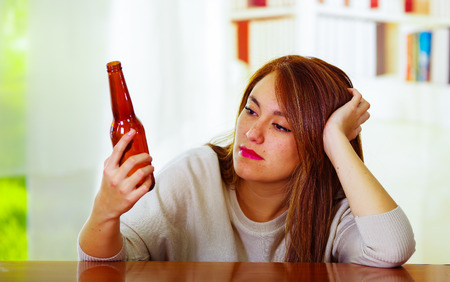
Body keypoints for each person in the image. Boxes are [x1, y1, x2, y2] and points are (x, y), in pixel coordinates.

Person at [78, 55, 415, 266]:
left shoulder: (335, 211)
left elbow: (393, 248)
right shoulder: (196, 175)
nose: (252, 132)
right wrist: (104, 213)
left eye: (281, 125)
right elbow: (105, 265)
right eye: (251, 110)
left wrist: (335, 140)